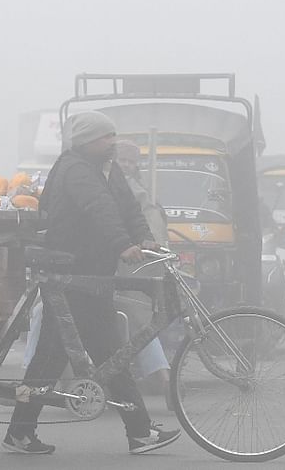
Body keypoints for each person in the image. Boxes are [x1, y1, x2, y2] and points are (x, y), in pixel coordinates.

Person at [4, 111, 179, 455]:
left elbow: (127, 207)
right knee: (107, 352)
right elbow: (99, 208)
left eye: (113, 135)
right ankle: (140, 432)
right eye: (105, 137)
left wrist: (144, 237)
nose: (111, 142)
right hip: (73, 273)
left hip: (91, 275)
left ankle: (20, 432)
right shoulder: (75, 169)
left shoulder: (107, 170)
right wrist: (122, 245)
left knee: (57, 357)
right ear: (86, 141)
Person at [112, 140, 172, 398]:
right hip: (124, 263)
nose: (125, 165)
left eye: (130, 161)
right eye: (122, 160)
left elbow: (150, 225)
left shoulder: (137, 190)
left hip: (133, 266)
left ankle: (164, 379)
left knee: (138, 322)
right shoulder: (115, 186)